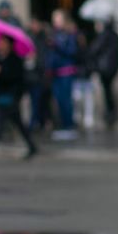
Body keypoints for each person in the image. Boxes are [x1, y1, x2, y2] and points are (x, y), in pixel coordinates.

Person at [0, 34, 37, 158]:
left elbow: (14, 77)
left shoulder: (14, 59)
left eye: (3, 42)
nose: (0, 44)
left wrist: (0, 72)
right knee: (18, 122)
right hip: (2, 95)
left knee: (1, 122)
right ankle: (32, 146)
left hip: (11, 95)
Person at [49, 9, 81, 140]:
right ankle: (63, 125)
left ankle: (69, 125)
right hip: (56, 72)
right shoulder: (54, 34)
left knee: (66, 100)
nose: (55, 21)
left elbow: (72, 51)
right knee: (59, 100)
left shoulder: (69, 34)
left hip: (66, 71)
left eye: (58, 18)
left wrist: (58, 46)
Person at [91, 18, 118, 128]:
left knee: (107, 90)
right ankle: (111, 111)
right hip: (112, 67)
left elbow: (95, 49)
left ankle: (110, 111)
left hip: (105, 68)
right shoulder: (115, 35)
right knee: (109, 90)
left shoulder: (105, 35)